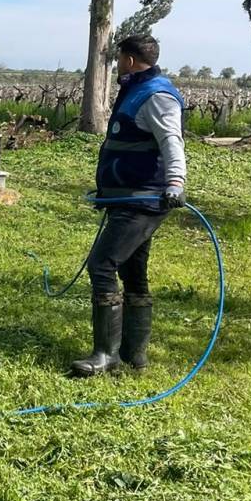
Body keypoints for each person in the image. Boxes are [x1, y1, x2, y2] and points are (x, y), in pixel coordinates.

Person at [71, 33, 187, 378]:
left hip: (144, 200)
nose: (117, 64)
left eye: (119, 59)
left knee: (102, 264)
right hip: (128, 197)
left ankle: (105, 356)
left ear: (131, 61)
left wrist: (176, 183)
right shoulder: (136, 89)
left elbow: (171, 141)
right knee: (133, 271)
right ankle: (135, 356)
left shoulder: (157, 95)